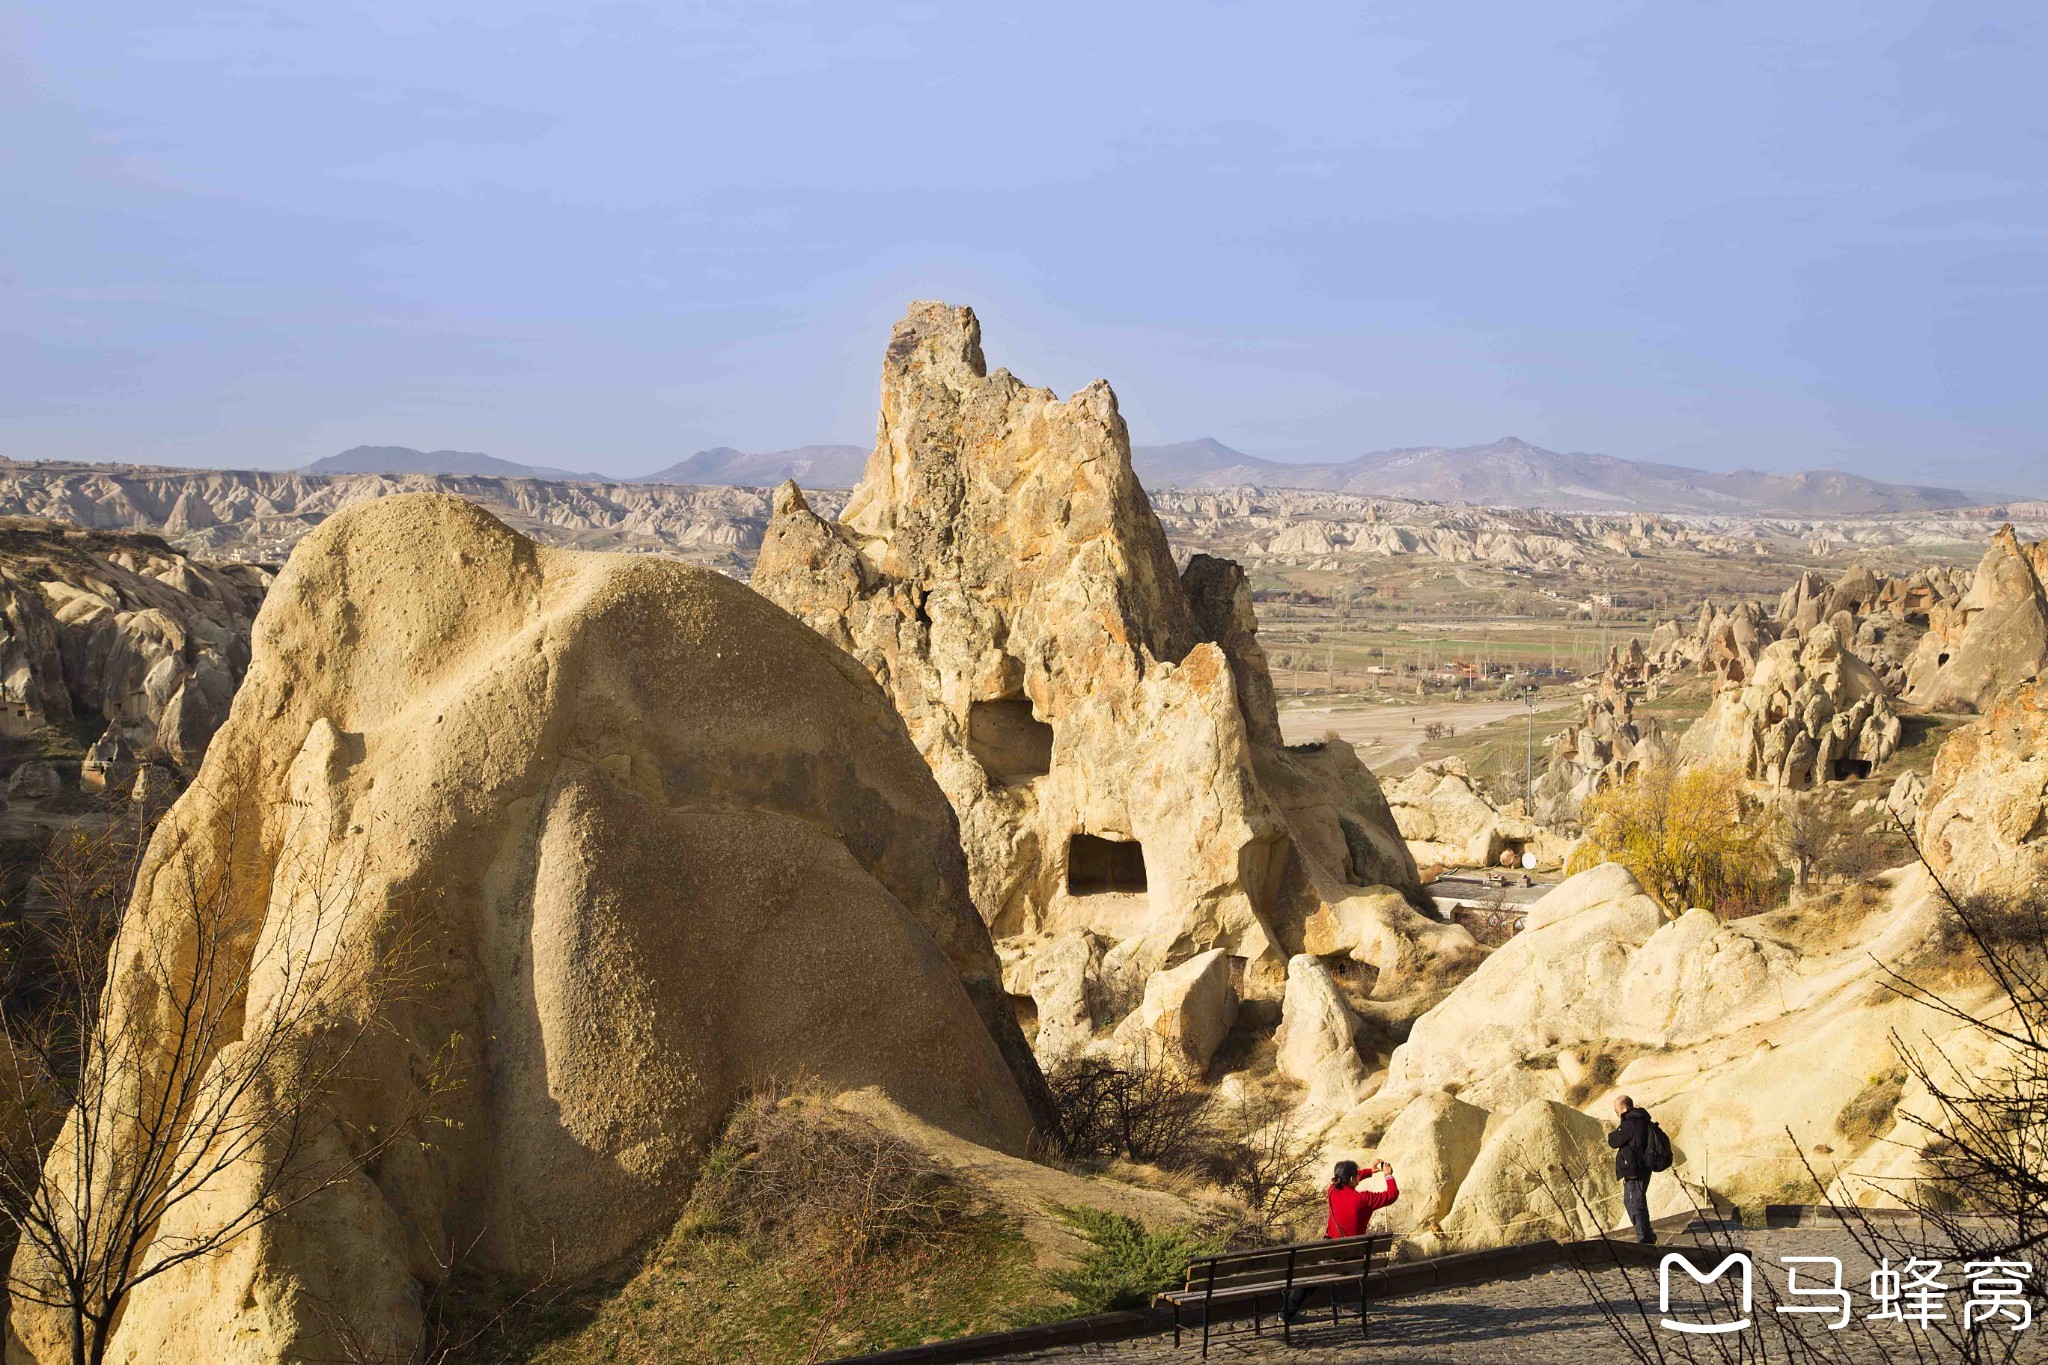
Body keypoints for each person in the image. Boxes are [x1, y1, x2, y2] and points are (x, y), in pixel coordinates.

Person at [1282, 1159, 1399, 1322]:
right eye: (1356, 1175)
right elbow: (1392, 1195)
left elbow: (1345, 1181)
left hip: (1330, 1258)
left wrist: (1368, 1171)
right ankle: (1289, 1311)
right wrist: (1388, 1176)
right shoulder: (1364, 1199)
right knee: (1316, 1271)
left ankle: (1287, 1312)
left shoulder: (1331, 1191)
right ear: (1352, 1179)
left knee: (1312, 1272)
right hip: (1352, 1262)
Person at [1607, 1094, 1655, 1243]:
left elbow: (1613, 1140)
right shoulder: (1642, 1120)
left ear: (1623, 1108)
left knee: (1635, 1204)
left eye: (1616, 1111)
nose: (1616, 1114)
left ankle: (1645, 1239)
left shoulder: (1630, 1123)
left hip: (1635, 1170)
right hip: (1641, 1168)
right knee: (1635, 1203)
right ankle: (1647, 1235)